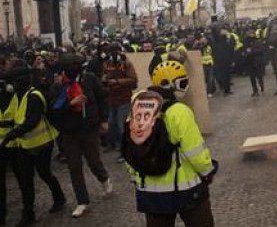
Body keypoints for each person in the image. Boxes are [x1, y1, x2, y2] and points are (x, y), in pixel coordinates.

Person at [124, 61, 217, 227]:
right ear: (169, 85)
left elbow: (130, 150)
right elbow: (194, 152)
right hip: (186, 188)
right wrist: (208, 171)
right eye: (182, 83)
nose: (185, 87)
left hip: (150, 191)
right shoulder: (180, 112)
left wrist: (136, 177)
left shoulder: (136, 111)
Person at [1, 60, 66, 226]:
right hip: (23, 145)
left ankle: (59, 198)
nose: (11, 84)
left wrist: (10, 136)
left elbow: (31, 121)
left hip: (42, 144)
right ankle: (28, 213)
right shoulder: (16, 96)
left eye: (14, 80)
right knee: (26, 179)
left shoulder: (34, 96)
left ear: (22, 80)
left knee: (44, 173)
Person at [49, 53, 112, 218]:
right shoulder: (58, 86)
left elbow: (102, 98)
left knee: (93, 161)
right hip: (70, 133)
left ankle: (103, 178)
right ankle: (82, 201)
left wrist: (104, 120)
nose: (72, 70)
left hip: (90, 129)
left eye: (75, 66)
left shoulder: (90, 79)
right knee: (74, 167)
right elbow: (53, 111)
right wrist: (70, 104)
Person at [102, 42, 138, 162]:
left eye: (115, 50)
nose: (113, 53)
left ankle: (125, 151)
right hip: (112, 99)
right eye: (111, 51)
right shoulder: (106, 64)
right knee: (112, 124)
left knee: (122, 125)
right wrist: (105, 81)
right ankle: (117, 145)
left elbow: (133, 80)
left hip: (124, 99)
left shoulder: (126, 63)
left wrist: (117, 81)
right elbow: (104, 77)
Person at [0, 61, 22, 226]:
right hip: (1, 144)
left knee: (23, 178)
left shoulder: (18, 95)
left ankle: (28, 210)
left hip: (17, 142)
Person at [244, 32, 266, 97]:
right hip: (250, 62)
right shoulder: (246, 43)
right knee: (252, 77)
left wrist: (252, 51)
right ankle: (255, 90)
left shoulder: (258, 42)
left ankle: (261, 86)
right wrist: (245, 54)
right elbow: (245, 51)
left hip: (257, 62)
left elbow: (261, 50)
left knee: (259, 76)